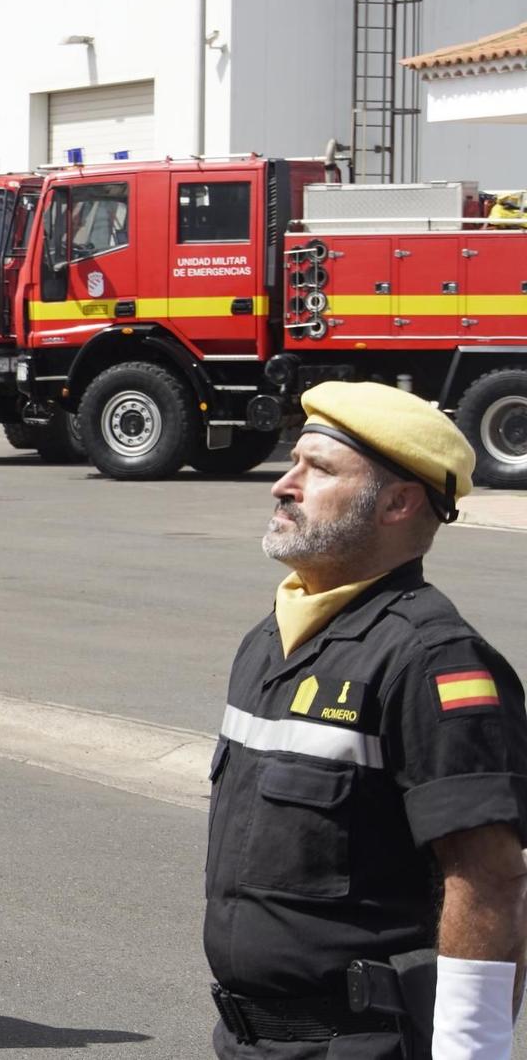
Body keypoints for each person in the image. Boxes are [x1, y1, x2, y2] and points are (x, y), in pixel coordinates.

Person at [205, 382, 527, 1060]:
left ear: (399, 502)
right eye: (293, 462)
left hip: (358, 1046)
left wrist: (471, 1051)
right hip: (245, 1040)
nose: (283, 486)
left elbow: (490, 878)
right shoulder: (271, 639)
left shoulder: (433, 659)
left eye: (318, 469)